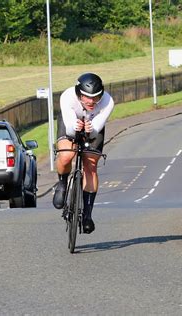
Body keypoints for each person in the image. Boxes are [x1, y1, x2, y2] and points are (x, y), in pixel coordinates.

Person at [53, 73, 115, 234]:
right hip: (70, 123)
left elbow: (97, 126)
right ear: (79, 93)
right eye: (87, 97)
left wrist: (91, 129)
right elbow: (69, 126)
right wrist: (76, 126)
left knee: (91, 164)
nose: (91, 101)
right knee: (66, 155)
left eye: (96, 97)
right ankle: (62, 184)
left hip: (93, 127)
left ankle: (87, 214)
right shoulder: (67, 96)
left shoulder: (108, 101)